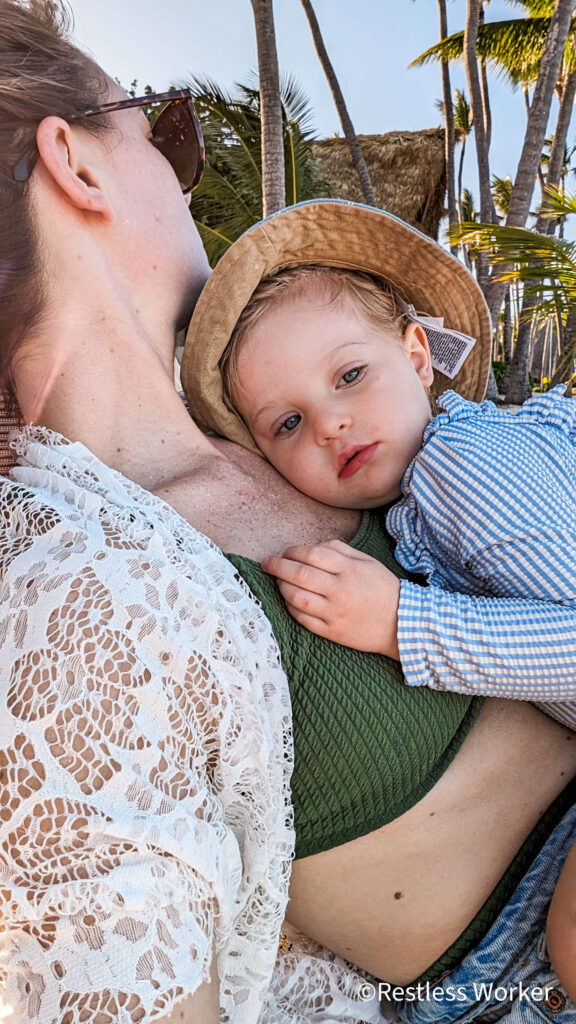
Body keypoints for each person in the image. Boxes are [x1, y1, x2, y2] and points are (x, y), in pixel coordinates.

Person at [1, 4, 575, 1022]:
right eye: (161, 130)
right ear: (76, 166)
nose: (183, 177)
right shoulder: (71, 596)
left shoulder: (327, 453)